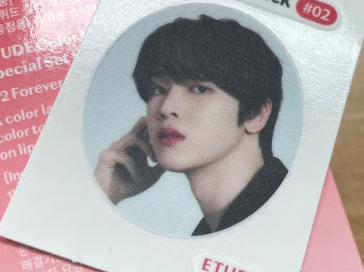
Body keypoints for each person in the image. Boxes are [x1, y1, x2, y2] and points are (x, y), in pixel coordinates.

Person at [94, 15, 288, 236]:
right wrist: (103, 195)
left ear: (256, 114)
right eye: (158, 89)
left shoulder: (284, 222)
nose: (166, 108)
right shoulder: (221, 228)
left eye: (199, 89)